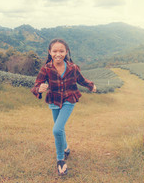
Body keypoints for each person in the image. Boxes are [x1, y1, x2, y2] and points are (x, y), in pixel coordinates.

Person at [31, 38, 96, 176]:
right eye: (55, 51)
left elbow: (82, 80)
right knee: (60, 129)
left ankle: (60, 159)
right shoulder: (46, 69)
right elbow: (37, 84)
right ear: (50, 52)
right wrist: (39, 88)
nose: (58, 54)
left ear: (66, 52)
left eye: (61, 51)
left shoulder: (73, 67)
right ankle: (66, 148)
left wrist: (91, 85)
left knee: (57, 130)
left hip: (69, 99)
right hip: (54, 100)